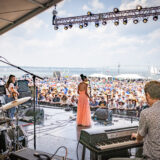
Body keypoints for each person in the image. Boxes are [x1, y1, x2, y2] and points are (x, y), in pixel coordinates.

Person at [109, 81, 160, 160]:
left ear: (147, 95)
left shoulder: (146, 113)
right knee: (139, 152)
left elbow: (139, 139)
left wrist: (137, 136)